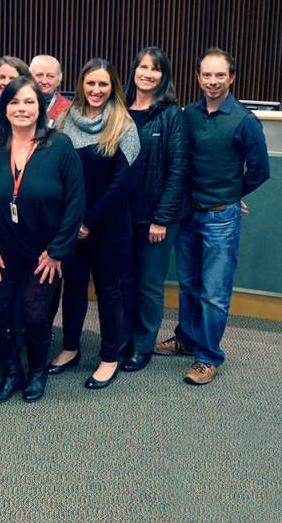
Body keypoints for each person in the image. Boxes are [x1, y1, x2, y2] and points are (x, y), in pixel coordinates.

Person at [155, 47, 269, 385]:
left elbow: (260, 171)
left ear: (231, 77)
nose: (213, 81)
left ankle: (208, 356)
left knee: (214, 292)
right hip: (190, 215)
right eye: (207, 75)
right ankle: (188, 339)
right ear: (198, 78)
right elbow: (182, 163)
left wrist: (233, 195)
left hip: (221, 218)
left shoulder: (244, 121)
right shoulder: (188, 114)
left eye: (220, 75)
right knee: (189, 284)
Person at [0, 76, 85, 403]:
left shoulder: (59, 145)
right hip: (2, 252)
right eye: (14, 102)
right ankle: (12, 371)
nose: (22, 108)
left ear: (40, 107)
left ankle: (37, 371)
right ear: (4, 108)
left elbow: (75, 201)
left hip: (44, 252)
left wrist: (57, 252)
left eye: (29, 102)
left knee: (35, 315)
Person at [49, 58, 140, 390]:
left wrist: (88, 221)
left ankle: (109, 358)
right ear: (81, 85)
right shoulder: (61, 122)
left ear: (112, 86)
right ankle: (70, 348)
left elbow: (123, 185)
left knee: (108, 291)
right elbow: (55, 174)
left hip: (109, 226)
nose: (96, 90)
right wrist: (73, 221)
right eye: (91, 83)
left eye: (103, 84)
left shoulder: (124, 125)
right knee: (72, 288)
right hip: (71, 224)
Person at [120, 47, 188, 373]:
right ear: (133, 71)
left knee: (148, 284)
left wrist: (161, 217)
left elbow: (178, 170)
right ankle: (125, 338)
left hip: (157, 220)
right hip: (122, 216)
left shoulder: (171, 114)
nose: (148, 73)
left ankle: (143, 346)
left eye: (155, 69)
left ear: (164, 76)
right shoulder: (119, 111)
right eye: (143, 67)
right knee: (125, 282)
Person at [29, 55, 71, 126]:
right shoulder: (18, 104)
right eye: (39, 75)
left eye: (50, 76)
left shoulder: (69, 109)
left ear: (58, 80)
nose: (44, 81)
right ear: (29, 77)